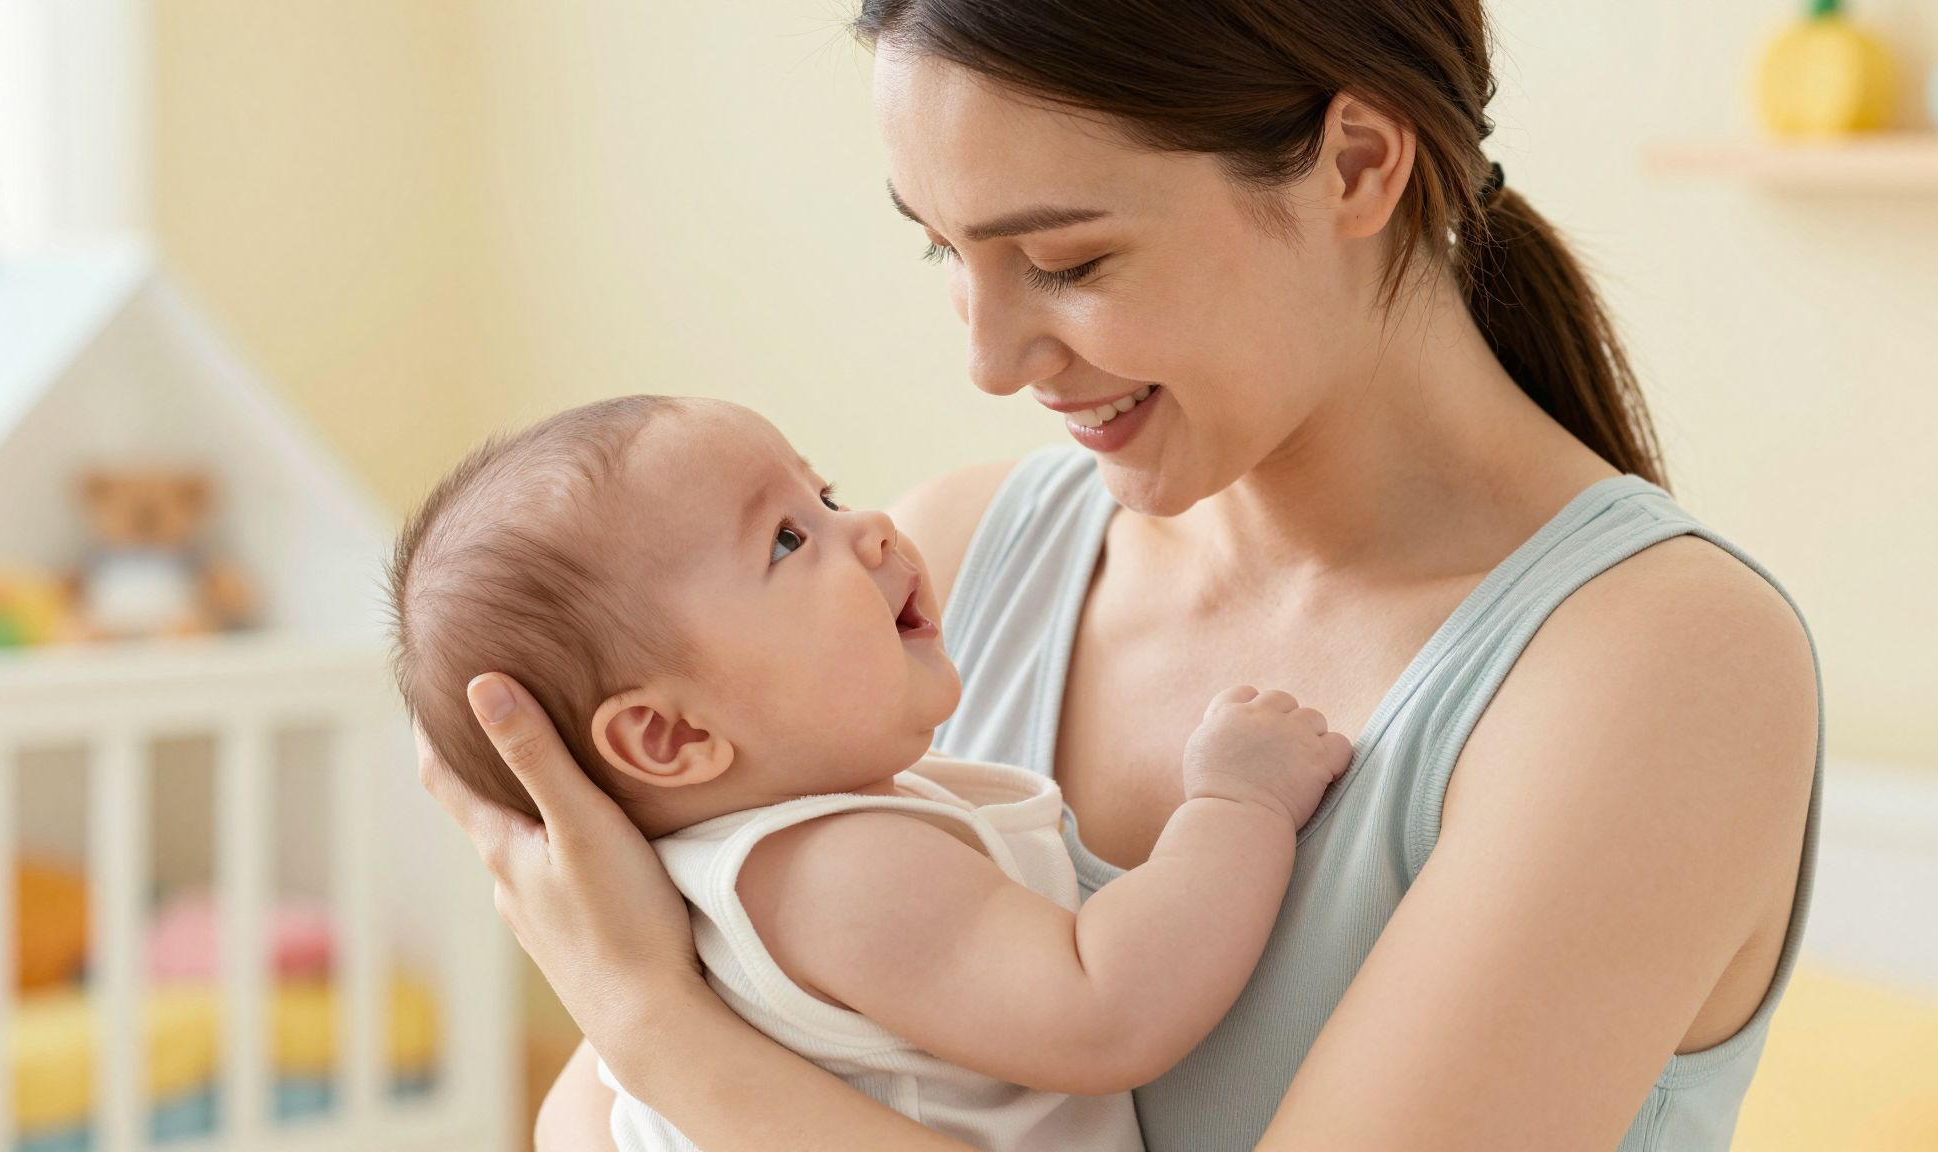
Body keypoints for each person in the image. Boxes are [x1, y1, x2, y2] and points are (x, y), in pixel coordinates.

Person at [420, 2, 1824, 1149]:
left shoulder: (1656, 668)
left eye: (1067, 259)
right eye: (942, 249)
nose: (987, 358)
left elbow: (654, 1069)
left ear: (1354, 165)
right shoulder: (956, 566)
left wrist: (643, 1015)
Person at [388, 395, 1350, 1150]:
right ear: (672, 740)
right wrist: (1237, 803)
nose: (876, 529)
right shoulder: (835, 872)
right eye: (786, 541)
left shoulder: (697, 898)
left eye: (829, 497)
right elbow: (1107, 1009)